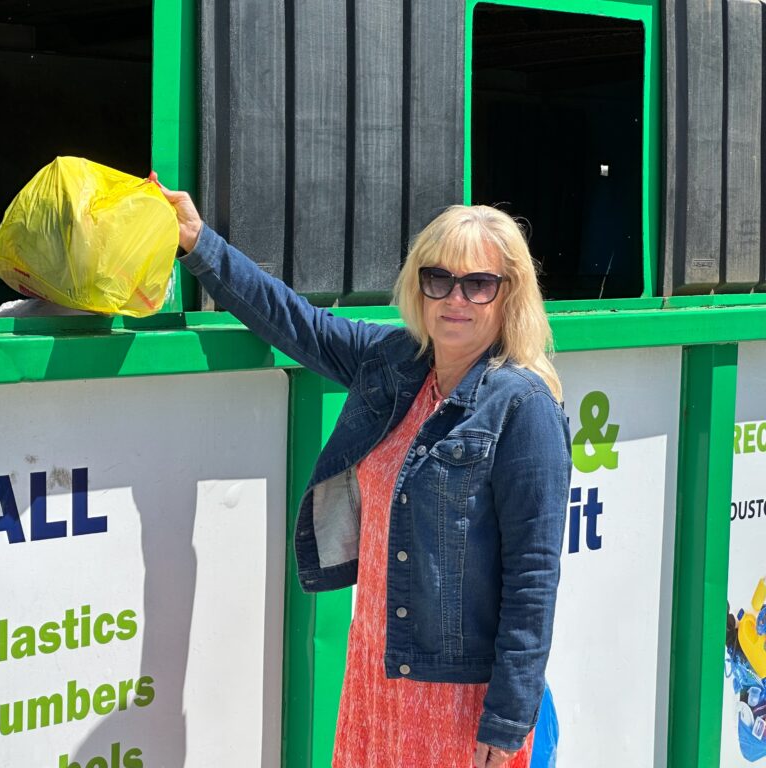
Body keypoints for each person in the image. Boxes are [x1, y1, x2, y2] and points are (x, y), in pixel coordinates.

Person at [158, 178, 571, 768]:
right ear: (418, 286)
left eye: (478, 284)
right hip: (379, 669)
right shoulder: (394, 363)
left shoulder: (522, 407)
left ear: (509, 297)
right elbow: (295, 321)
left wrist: (506, 721)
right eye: (439, 279)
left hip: (458, 697)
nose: (455, 298)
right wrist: (198, 243)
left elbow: (533, 579)